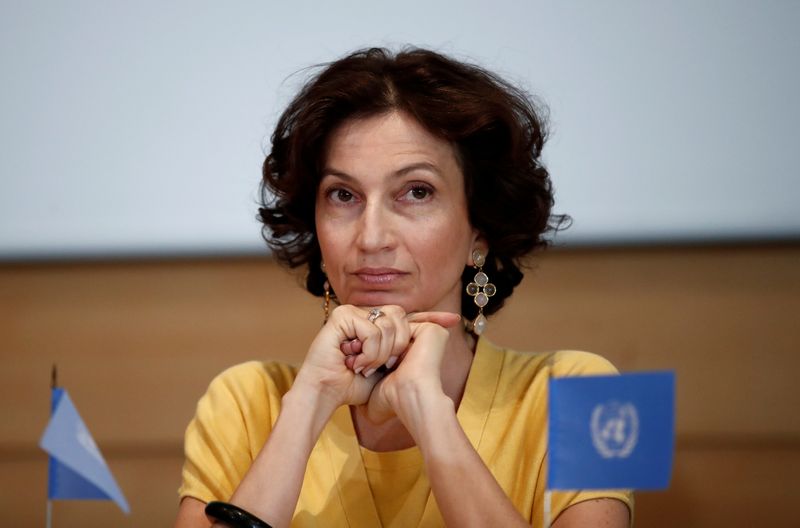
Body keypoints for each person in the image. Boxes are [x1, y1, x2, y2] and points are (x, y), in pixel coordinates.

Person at [174, 47, 632, 528]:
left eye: (416, 192)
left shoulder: (592, 392)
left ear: (480, 228)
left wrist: (429, 414)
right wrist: (310, 400)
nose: (371, 238)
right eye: (343, 195)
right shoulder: (244, 401)